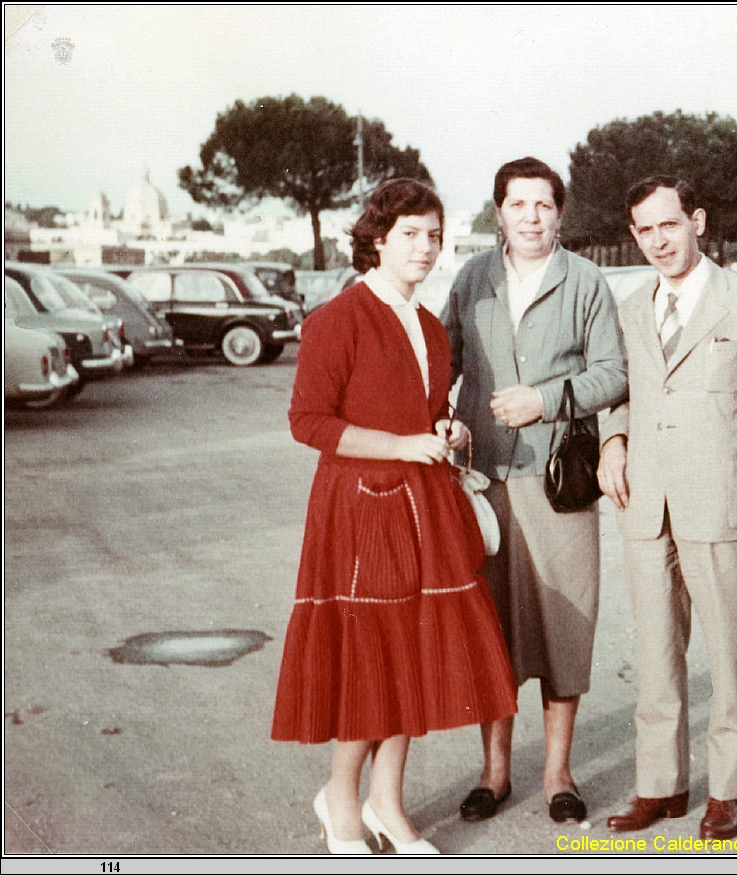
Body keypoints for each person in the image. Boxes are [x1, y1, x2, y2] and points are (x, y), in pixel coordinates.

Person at [271, 178, 518, 855]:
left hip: (423, 505)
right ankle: (341, 800)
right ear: (377, 239)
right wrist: (403, 444)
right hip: (359, 510)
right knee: (370, 661)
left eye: (435, 235)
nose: (426, 247)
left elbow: (421, 411)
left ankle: (388, 801)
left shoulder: (432, 327)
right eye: (411, 233)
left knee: (409, 651)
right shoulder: (336, 319)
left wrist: (442, 430)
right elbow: (308, 422)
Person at [442, 157, 627, 824]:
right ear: (500, 213)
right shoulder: (472, 278)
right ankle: (494, 771)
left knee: (563, 628)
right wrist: (442, 414)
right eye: (517, 205)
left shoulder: (586, 281)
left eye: (543, 205)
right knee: (490, 627)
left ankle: (557, 772)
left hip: (560, 483)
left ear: (560, 213)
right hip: (484, 481)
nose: (530, 217)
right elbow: (444, 358)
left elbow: (613, 373)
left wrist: (545, 400)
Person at [597, 176, 737, 841]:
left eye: (668, 225)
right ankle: (660, 783)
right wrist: (613, 438)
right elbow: (620, 389)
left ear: (696, 220)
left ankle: (729, 789)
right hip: (645, 504)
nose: (657, 241)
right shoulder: (630, 307)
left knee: (733, 655)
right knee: (655, 654)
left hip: (722, 504)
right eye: (644, 230)